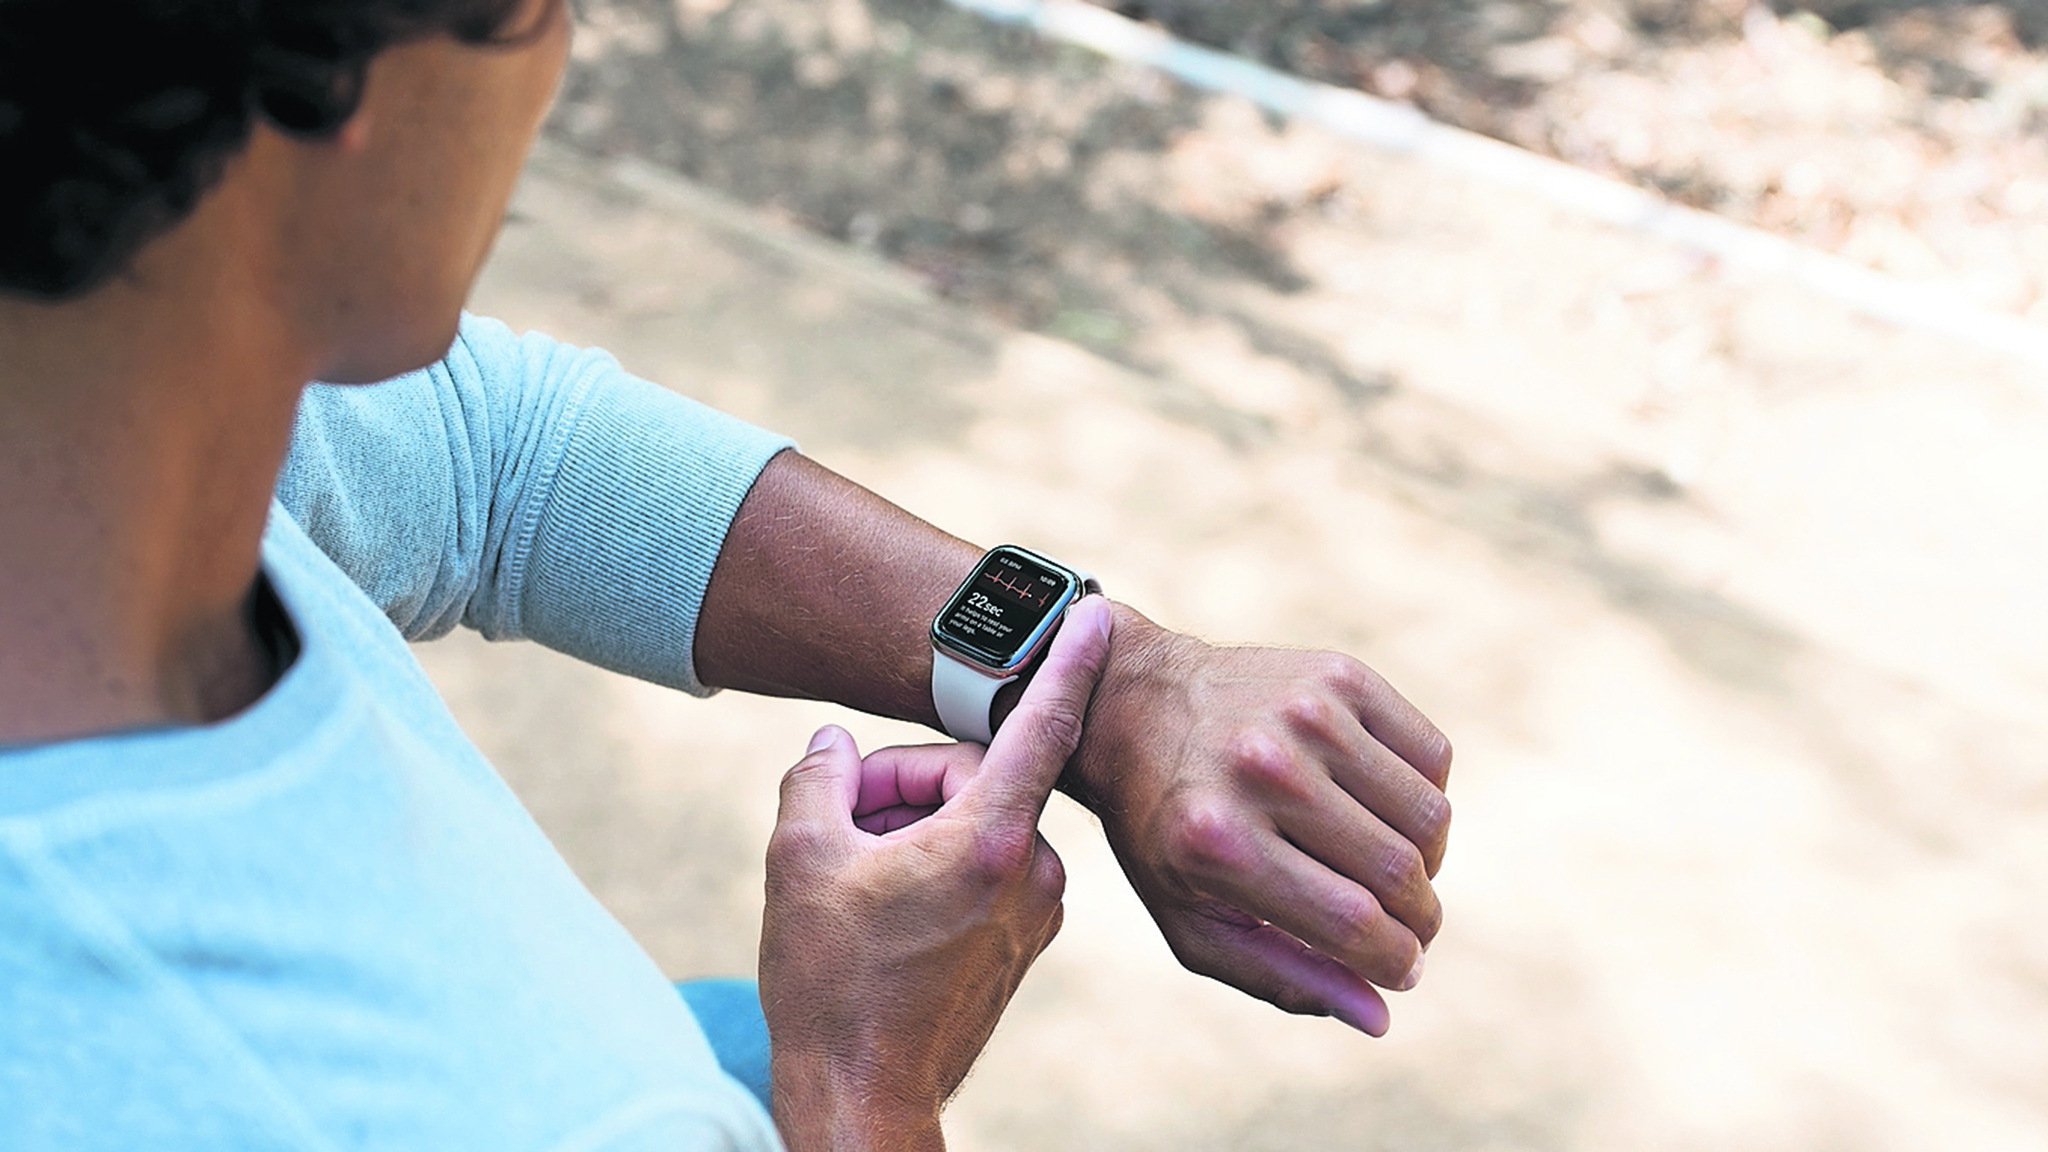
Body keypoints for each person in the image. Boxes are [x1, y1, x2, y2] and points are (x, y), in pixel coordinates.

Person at [0, 1, 1453, 1148]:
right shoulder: (533, 1114)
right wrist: (862, 1085)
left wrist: (1113, 679)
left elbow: (493, 456)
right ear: (352, 100)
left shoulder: (112, 389)